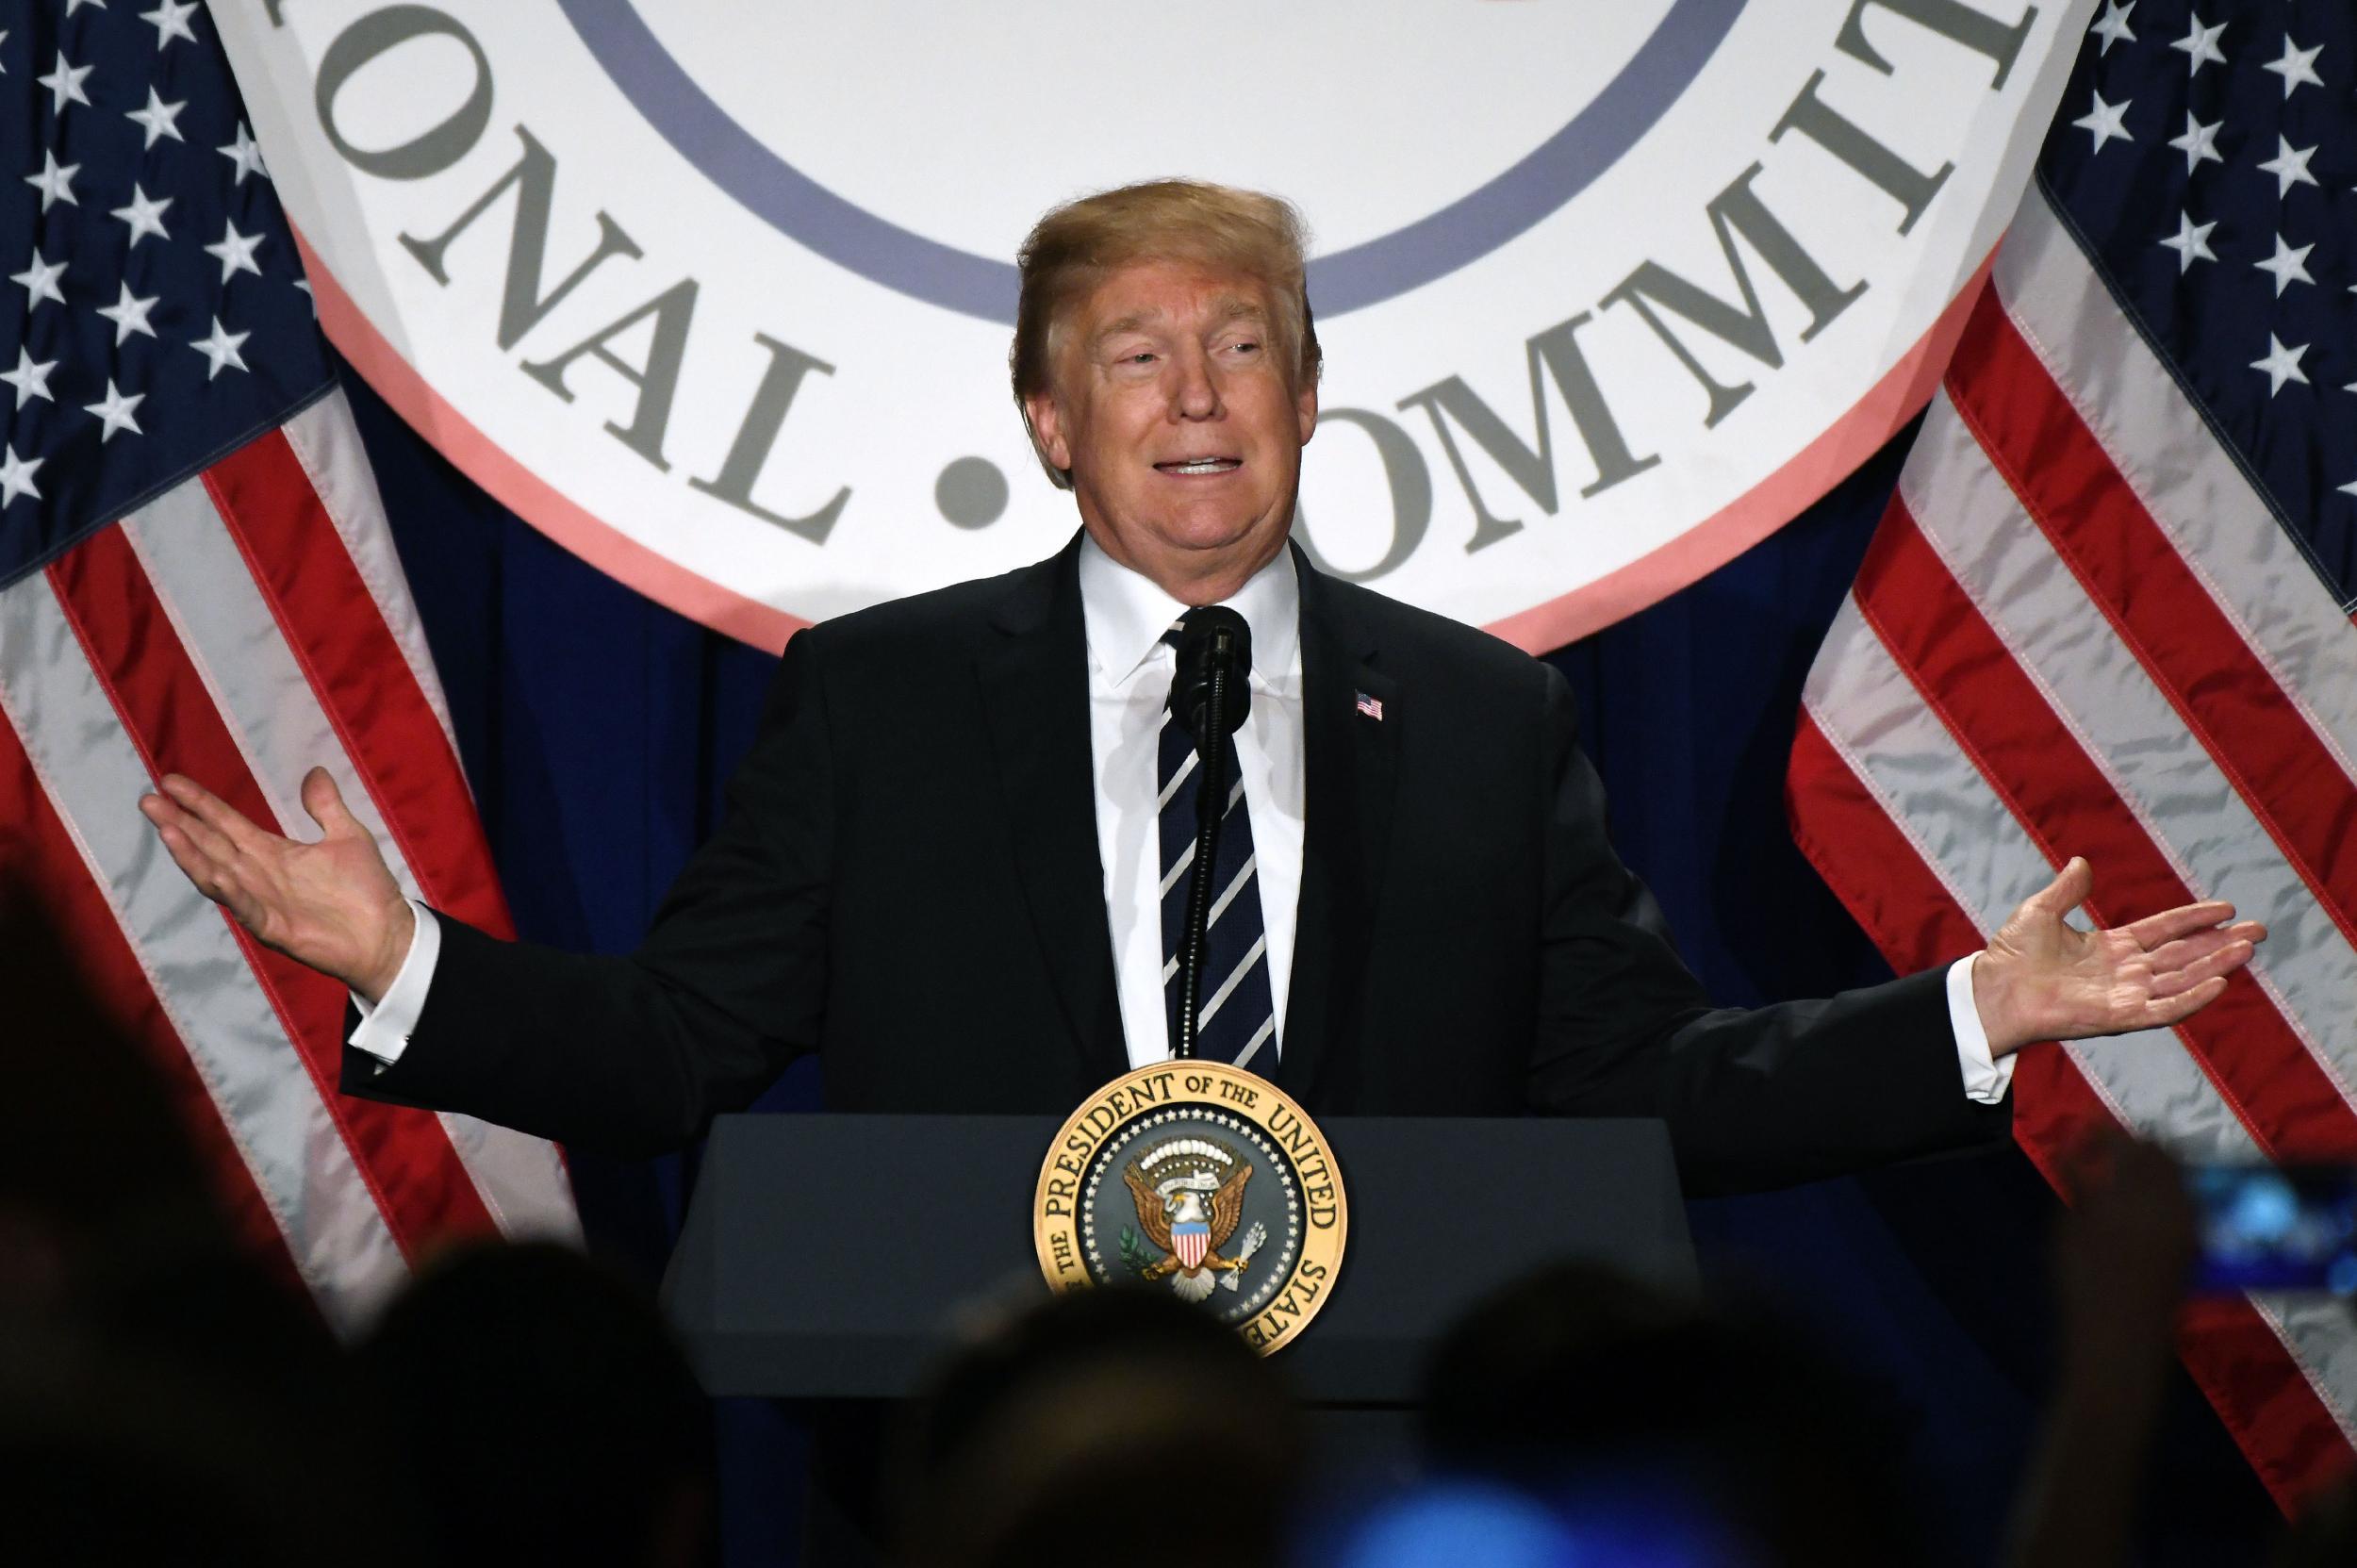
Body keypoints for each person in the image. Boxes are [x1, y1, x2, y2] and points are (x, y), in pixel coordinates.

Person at [138, 179, 2262, 1194]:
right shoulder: (879, 701)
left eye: (1240, 343)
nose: (1193, 394)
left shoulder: (1480, 715)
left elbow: (1637, 1087)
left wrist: (1981, 1008)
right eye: (1133, 356)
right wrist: (413, 960)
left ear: (1310, 395)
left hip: (1383, 1476)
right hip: (995, 1470)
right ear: (1050, 423)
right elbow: (684, 1041)